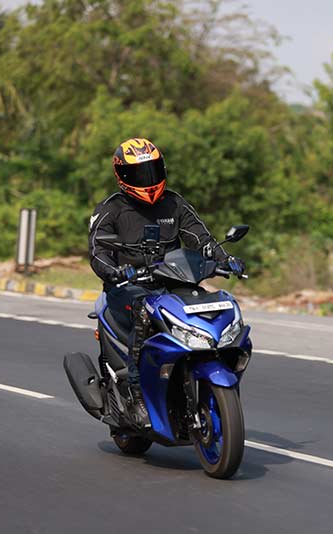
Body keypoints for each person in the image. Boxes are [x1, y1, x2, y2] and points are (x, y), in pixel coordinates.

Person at [88, 137, 245, 428]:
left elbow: (202, 239)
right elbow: (98, 252)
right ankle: (136, 397)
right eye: (139, 174)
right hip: (128, 288)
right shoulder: (110, 209)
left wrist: (224, 258)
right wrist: (116, 271)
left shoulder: (174, 203)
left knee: (210, 304)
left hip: (171, 281)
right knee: (143, 312)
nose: (148, 180)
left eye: (153, 171)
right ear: (121, 175)